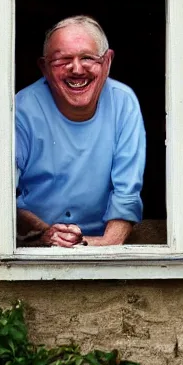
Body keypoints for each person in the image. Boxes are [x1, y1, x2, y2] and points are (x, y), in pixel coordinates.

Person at [16, 16, 146, 247]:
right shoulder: (22, 108)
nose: (76, 69)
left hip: (99, 241)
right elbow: (0, 193)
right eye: (62, 60)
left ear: (107, 62)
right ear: (44, 67)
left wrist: (104, 243)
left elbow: (126, 192)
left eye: (88, 58)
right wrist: (45, 234)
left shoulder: (124, 103)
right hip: (33, 240)